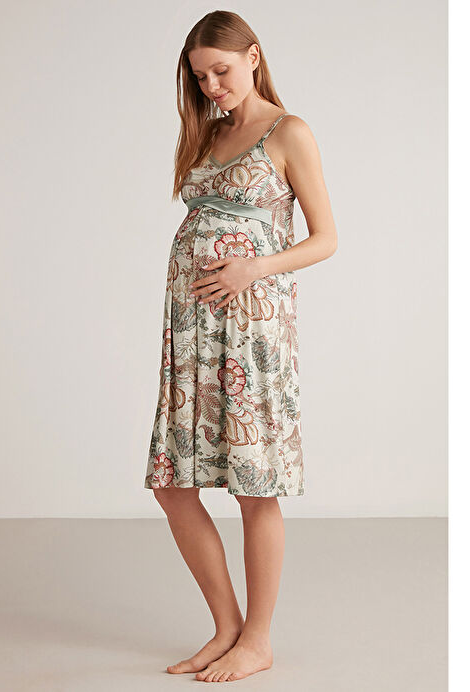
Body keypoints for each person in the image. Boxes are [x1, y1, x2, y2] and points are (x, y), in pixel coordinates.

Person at [144, 9, 337, 683]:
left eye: (220, 71)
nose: (211, 87)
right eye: (200, 77)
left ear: (253, 56)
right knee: (173, 485)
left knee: (254, 487)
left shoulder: (289, 132)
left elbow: (325, 239)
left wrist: (253, 267)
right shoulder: (207, 132)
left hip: (251, 330)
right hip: (191, 332)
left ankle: (258, 639)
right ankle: (226, 626)